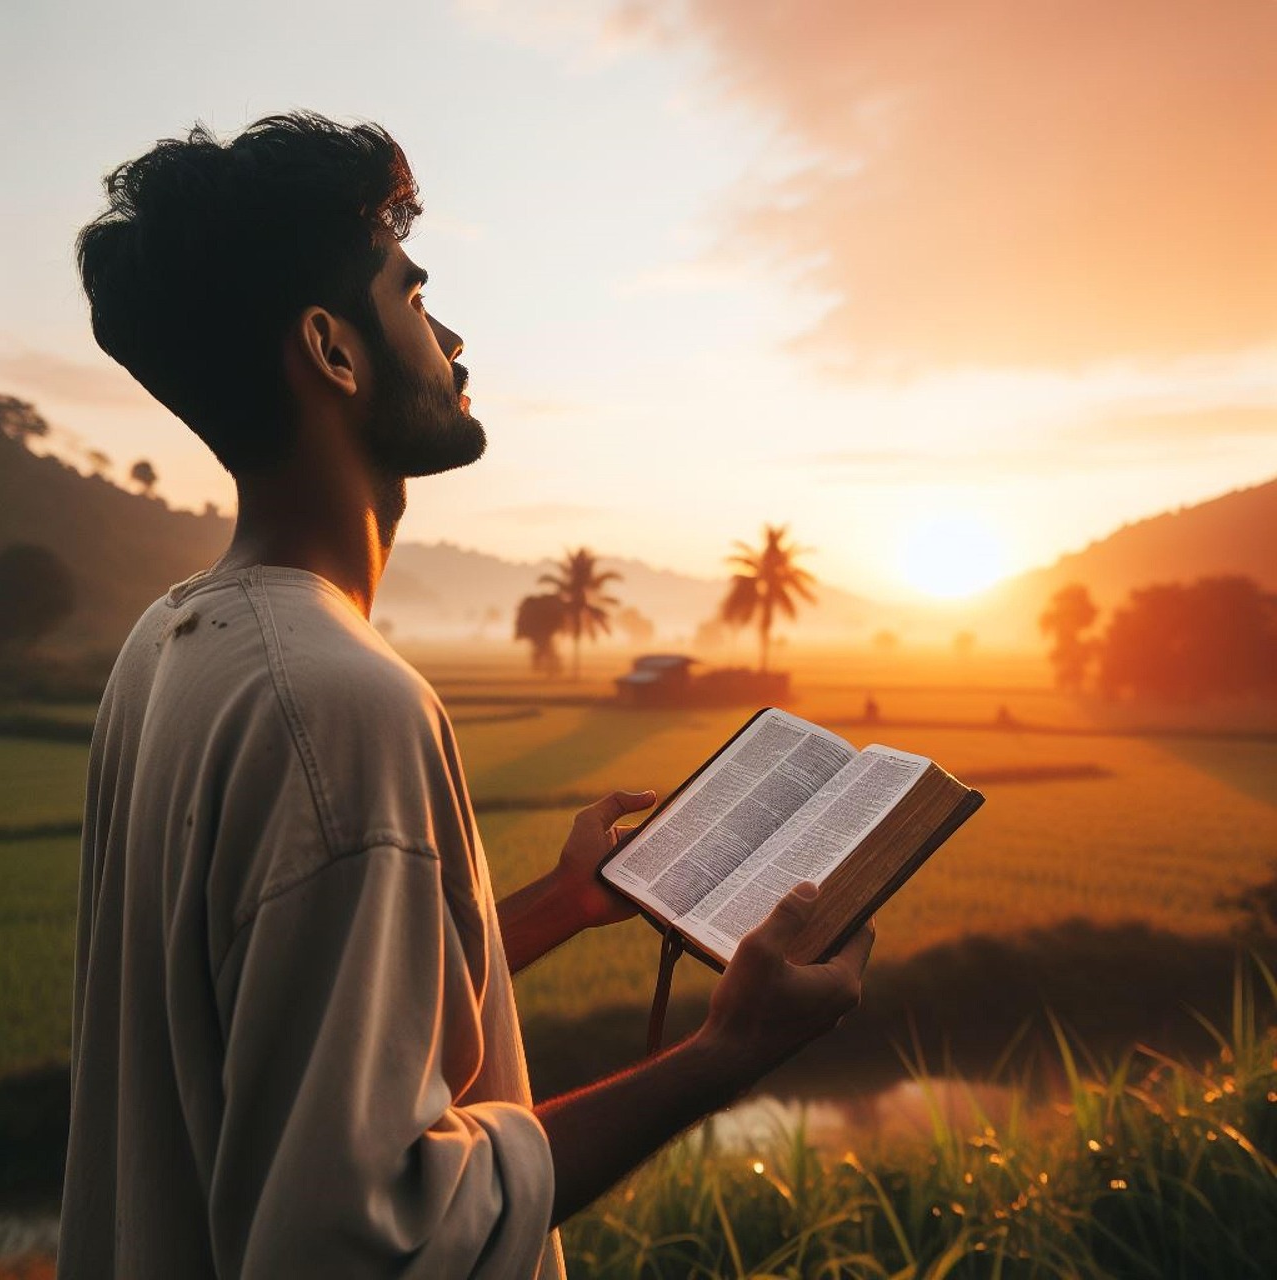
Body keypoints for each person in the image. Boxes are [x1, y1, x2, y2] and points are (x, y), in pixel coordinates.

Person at [60, 112, 875, 1279]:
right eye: (412, 294)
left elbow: (298, 1014)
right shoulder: (339, 702)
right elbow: (369, 1235)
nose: (451, 338)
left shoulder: (170, 644)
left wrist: (556, 904)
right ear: (334, 350)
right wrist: (726, 1050)